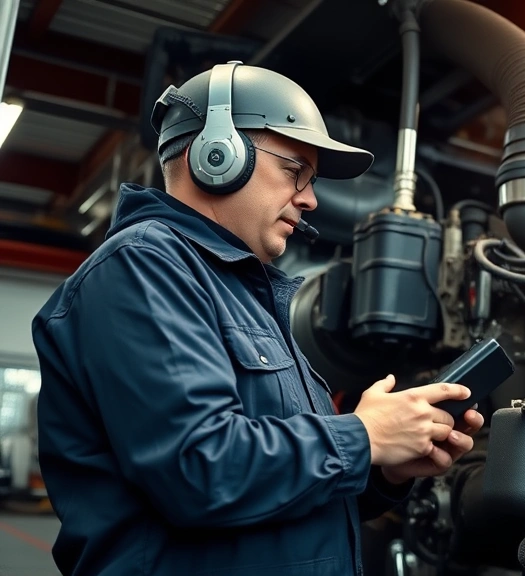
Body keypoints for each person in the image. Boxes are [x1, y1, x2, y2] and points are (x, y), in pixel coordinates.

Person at [30, 62, 484, 576]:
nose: (311, 200)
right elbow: (199, 472)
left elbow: (281, 508)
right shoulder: (143, 267)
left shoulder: (246, 296)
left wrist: (385, 470)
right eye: (296, 171)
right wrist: (362, 435)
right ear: (217, 154)